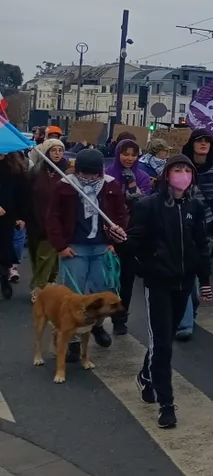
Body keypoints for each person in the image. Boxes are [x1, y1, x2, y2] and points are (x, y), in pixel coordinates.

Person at [128, 155, 211, 429]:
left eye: (188, 170)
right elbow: (134, 243)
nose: (183, 174)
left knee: (165, 338)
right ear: (167, 175)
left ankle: (146, 374)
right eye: (178, 169)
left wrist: (205, 278)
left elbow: (201, 244)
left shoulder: (195, 206)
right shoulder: (148, 205)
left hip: (184, 282)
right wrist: (144, 266)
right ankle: (166, 403)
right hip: (159, 283)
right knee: (162, 343)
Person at [45, 148, 129, 358]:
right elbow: (53, 217)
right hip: (75, 247)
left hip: (102, 247)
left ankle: (97, 325)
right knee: (73, 294)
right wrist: (61, 245)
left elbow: (121, 214)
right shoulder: (64, 187)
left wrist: (114, 241)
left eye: (94, 173)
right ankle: (72, 339)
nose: (89, 178)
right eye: (85, 174)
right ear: (77, 170)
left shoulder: (110, 185)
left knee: (102, 291)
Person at [176, 129, 213, 341]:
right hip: (186, 224)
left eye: (207, 141)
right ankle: (185, 321)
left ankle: (192, 306)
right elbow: (183, 194)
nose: (204, 144)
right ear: (192, 143)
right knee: (187, 272)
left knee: (200, 268)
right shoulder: (182, 166)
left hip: (210, 229)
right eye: (200, 141)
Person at [105, 137, 153, 336]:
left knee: (126, 280)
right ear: (118, 154)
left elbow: (146, 203)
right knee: (106, 280)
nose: (129, 158)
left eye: (133, 155)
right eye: (125, 154)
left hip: (132, 235)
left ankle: (120, 318)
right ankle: (98, 320)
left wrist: (133, 187)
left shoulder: (142, 176)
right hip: (110, 233)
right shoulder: (108, 175)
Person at [27, 139, 69, 292]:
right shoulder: (36, 171)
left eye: (60, 150)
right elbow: (28, 194)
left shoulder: (67, 171)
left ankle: (38, 288)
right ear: (46, 152)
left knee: (45, 255)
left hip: (56, 221)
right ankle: (49, 283)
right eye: (53, 150)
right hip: (35, 219)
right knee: (37, 255)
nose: (57, 154)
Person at [0, 153, 30, 300]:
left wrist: (21, 217)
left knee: (4, 249)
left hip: (7, 217)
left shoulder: (16, 168)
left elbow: (22, 195)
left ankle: (4, 277)